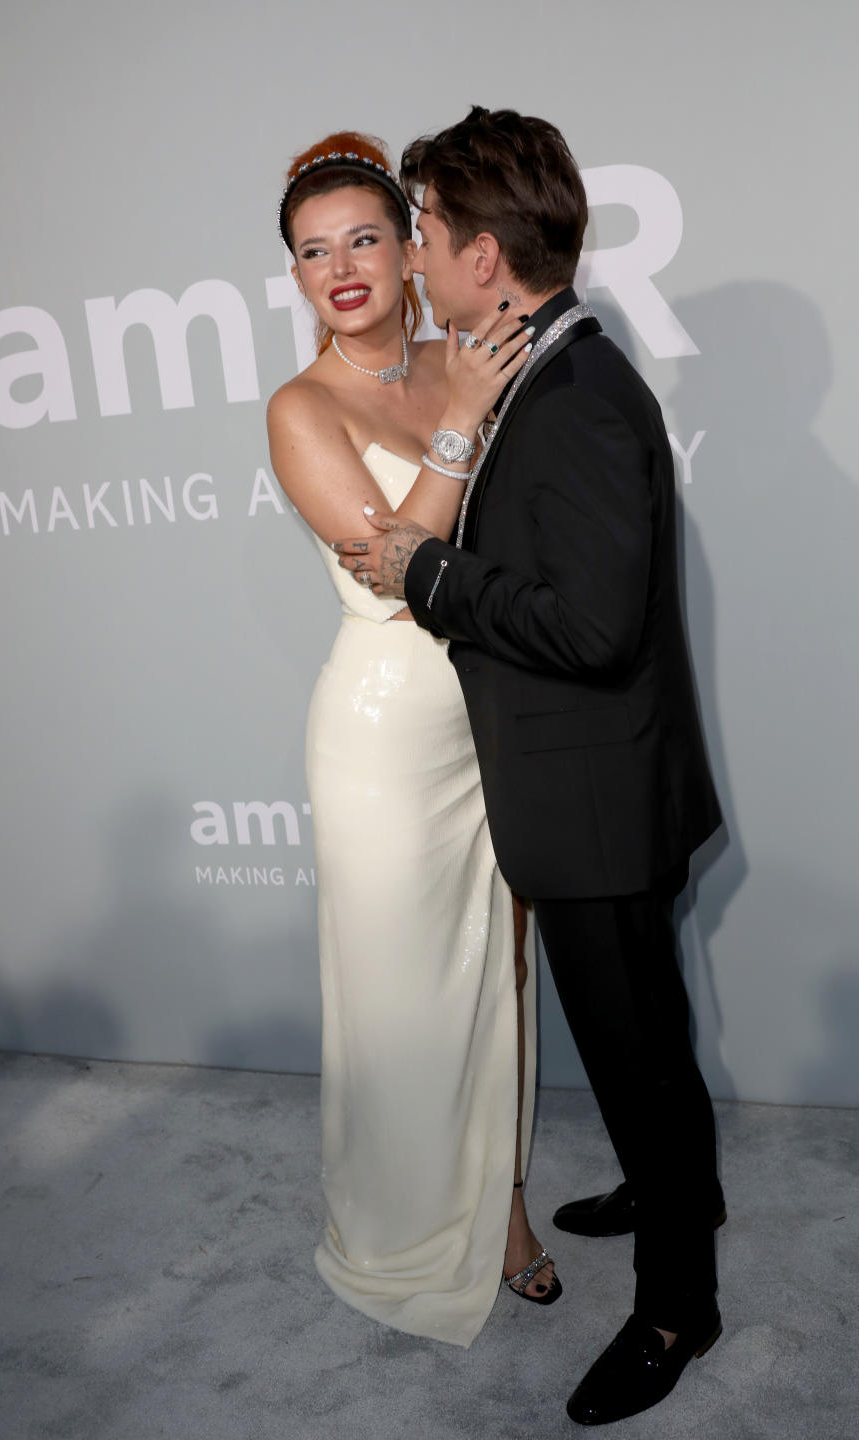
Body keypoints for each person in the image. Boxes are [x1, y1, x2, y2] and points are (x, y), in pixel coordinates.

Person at [333, 107, 725, 1424]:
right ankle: (669, 1178)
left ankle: (679, 1304)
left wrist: (426, 571)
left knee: (636, 1054)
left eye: (426, 231)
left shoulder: (573, 400)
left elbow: (597, 629)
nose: (415, 255)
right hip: (598, 790)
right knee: (644, 1047)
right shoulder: (537, 370)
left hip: (598, 805)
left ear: (485, 254)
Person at [266, 130, 560, 1349]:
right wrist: (462, 428)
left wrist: (475, 401)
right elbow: (395, 576)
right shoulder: (300, 407)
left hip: (501, 708)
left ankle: (501, 1210)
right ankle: (398, 1226)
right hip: (385, 733)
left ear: (410, 247)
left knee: (500, 976)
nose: (339, 269)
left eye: (363, 240)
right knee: (399, 995)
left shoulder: (471, 356)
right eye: (310, 253)